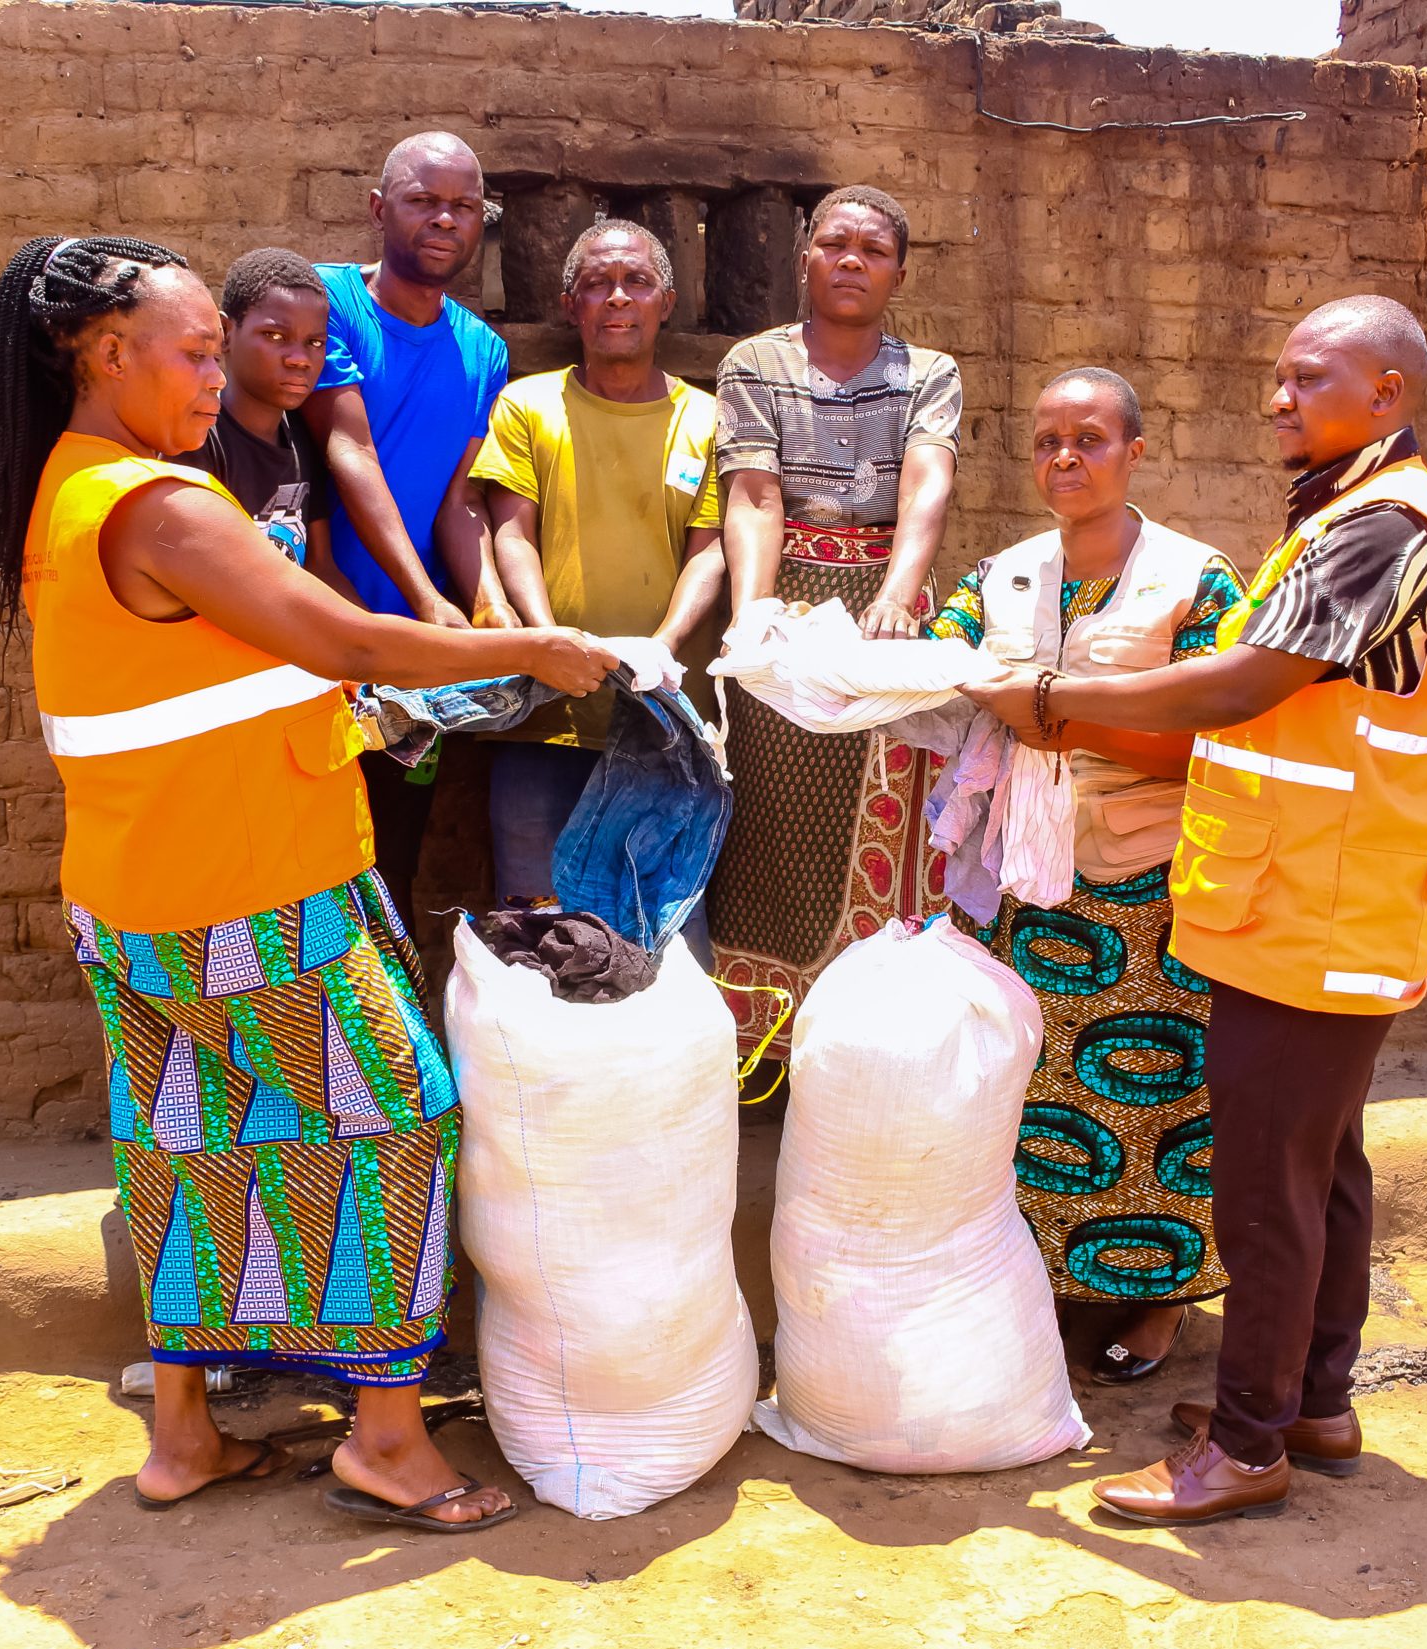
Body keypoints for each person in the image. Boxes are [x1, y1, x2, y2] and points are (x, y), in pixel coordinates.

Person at [0, 233, 616, 1530]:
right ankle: (385, 1434)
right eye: (196, 351)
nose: (217, 378)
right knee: (397, 1117)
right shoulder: (160, 505)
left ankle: (183, 1431)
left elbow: (223, 677)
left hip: (138, 891)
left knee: (187, 1138)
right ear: (107, 354)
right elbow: (334, 630)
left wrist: (375, 707)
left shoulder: (71, 489)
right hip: (254, 895)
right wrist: (532, 647)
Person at [968, 295, 1427, 1526]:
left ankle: (1246, 1447)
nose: (1277, 400)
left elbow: (1247, 683)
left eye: (1308, 378)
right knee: (1322, 1166)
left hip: (1323, 902)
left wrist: (1051, 696)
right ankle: (1309, 1400)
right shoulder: (1348, 515)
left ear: (1387, 391)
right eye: (1281, 379)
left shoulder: (1384, 526)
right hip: (1308, 893)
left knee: (1268, 1185)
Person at [927, 367, 1245, 1388]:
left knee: (1153, 1096)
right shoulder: (1002, 577)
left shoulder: (1197, 582)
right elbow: (936, 674)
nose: (1066, 459)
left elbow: (1215, 743)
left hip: (1148, 884)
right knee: (1032, 1090)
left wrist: (1062, 717)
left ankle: (1154, 1301)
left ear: (1135, 453)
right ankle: (1048, 1286)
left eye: (1091, 440)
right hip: (1025, 888)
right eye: (1048, 441)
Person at [705, 184, 964, 1050]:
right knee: (767, 818)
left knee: (885, 810)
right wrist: (751, 620)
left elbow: (927, 483)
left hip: (886, 609)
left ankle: (863, 1040)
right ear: (805, 257)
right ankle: (762, 1040)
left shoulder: (929, 373)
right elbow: (752, 491)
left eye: (873, 250)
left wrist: (896, 595)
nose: (851, 260)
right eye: (834, 243)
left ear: (898, 272)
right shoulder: (755, 363)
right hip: (788, 606)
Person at [470, 218, 727, 951]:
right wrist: (551, 640)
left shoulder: (706, 420)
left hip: (662, 722)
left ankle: (672, 1070)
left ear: (667, 301)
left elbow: (708, 553)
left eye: (636, 282)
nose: (617, 298)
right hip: (543, 713)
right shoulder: (529, 405)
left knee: (667, 939)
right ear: (569, 304)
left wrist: (664, 645)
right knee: (536, 935)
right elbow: (510, 531)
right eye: (597, 285)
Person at [303, 132, 519, 932]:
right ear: (378, 208)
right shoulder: (323, 302)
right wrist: (428, 602)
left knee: (392, 848)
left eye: (463, 206)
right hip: (316, 640)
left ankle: (374, 1041)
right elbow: (348, 447)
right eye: (423, 200)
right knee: (309, 856)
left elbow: (458, 502)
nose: (444, 219)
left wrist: (487, 601)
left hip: (415, 682)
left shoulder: (482, 349)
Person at [175, 247, 351, 602]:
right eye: (275, 336)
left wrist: (376, 639)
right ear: (225, 332)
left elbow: (320, 569)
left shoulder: (301, 437)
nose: (300, 359)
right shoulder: (194, 443)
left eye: (315, 342)